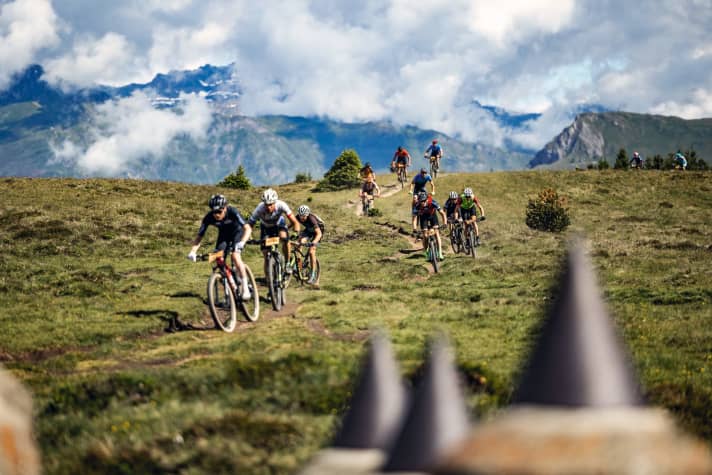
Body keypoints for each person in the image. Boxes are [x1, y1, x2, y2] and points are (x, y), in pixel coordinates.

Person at [187, 194, 253, 300]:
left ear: (225, 208)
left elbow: (248, 228)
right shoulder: (208, 217)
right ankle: (228, 292)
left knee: (235, 256)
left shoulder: (233, 212)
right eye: (214, 212)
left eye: (219, 212)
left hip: (238, 233)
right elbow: (199, 236)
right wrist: (193, 251)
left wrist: (243, 242)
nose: (216, 215)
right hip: (224, 236)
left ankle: (245, 288)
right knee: (218, 258)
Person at [244, 188, 300, 280]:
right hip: (266, 227)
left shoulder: (282, 205)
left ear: (275, 202)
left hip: (279, 224)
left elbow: (295, 222)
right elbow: (249, 225)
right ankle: (269, 280)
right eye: (266, 204)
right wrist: (249, 237)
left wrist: (296, 232)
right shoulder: (259, 208)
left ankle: (287, 263)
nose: (268, 207)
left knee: (284, 238)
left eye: (271, 204)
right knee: (266, 254)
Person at [412, 191, 447, 260]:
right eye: (421, 201)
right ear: (419, 201)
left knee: (436, 233)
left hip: (432, 216)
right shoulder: (417, 206)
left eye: (424, 201)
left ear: (427, 199)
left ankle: (439, 253)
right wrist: (414, 228)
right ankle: (426, 252)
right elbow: (414, 219)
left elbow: (442, 213)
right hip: (423, 217)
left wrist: (445, 223)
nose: (423, 203)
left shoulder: (432, 202)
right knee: (425, 235)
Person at [295, 205, 323, 284]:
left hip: (318, 232)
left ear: (307, 215)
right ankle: (299, 266)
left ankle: (313, 274)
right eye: (300, 216)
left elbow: (319, 234)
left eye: (304, 216)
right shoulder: (297, 217)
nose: (302, 218)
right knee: (299, 243)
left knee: (311, 251)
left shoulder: (311, 219)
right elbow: (290, 225)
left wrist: (314, 243)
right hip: (309, 230)